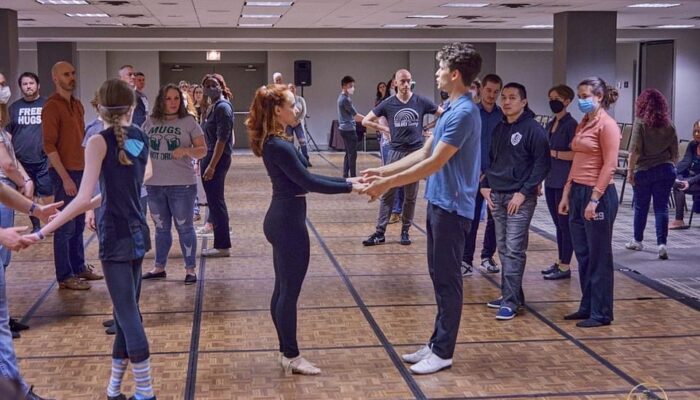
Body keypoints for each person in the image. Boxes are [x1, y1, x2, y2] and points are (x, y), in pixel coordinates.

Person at [26, 78, 156, 400]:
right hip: (138, 232)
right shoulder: (139, 137)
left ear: (99, 107)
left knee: (128, 315)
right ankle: (114, 389)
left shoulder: (99, 141)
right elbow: (144, 175)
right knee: (125, 314)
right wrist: (105, 197)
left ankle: (145, 392)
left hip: (115, 237)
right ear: (132, 106)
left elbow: (83, 198)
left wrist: (43, 229)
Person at [362, 42, 482, 375]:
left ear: (455, 74)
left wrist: (387, 183)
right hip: (439, 203)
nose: (437, 73)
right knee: (438, 276)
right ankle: (436, 342)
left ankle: (443, 352)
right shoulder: (451, 107)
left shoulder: (465, 113)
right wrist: (382, 172)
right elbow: (424, 151)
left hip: (453, 209)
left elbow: (433, 163)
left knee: (447, 281)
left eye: (441, 68)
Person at [246, 84, 365, 375]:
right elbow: (309, 182)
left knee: (283, 290)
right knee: (288, 292)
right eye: (291, 105)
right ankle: (291, 355)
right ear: (278, 111)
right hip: (287, 222)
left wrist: (350, 182)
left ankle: (285, 351)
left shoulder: (279, 141)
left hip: (284, 218)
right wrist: (350, 187)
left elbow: (307, 176)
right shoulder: (278, 145)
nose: (296, 109)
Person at [481, 82, 550, 321]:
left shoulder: (533, 130)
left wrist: (524, 192)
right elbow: (493, 160)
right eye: (504, 97)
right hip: (497, 195)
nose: (507, 102)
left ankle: (510, 302)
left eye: (512, 98)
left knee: (514, 249)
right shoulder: (499, 128)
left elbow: (542, 164)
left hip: (519, 198)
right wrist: (485, 185)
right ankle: (512, 295)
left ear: (524, 102)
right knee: (503, 248)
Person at [558, 76, 620, 328]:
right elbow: (577, 160)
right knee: (583, 253)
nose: (581, 101)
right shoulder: (584, 122)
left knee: (599, 255)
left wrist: (594, 199)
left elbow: (610, 165)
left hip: (599, 196)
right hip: (578, 191)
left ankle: (601, 312)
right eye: (579, 96)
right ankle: (588, 305)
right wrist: (567, 192)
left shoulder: (608, 125)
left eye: (585, 96)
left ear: (599, 96)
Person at [361, 69, 441, 247]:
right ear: (395, 83)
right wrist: (385, 129)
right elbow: (366, 120)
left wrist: (430, 129)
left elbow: (443, 114)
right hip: (395, 152)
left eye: (408, 81)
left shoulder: (420, 101)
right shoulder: (388, 103)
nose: (406, 84)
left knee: (410, 196)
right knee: (388, 192)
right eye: (402, 81)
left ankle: (405, 230)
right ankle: (380, 232)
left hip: (415, 153)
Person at [42, 61, 102, 290]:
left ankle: (78, 267)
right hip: (63, 174)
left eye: (73, 73)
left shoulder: (77, 105)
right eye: (66, 74)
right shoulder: (51, 106)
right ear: (55, 78)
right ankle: (65, 275)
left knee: (77, 225)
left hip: (80, 170)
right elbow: (49, 146)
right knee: (65, 225)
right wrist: (65, 177)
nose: (71, 77)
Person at [141, 84, 206, 284]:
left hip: (181, 185)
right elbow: (138, 147)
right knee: (161, 228)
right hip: (154, 184)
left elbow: (202, 149)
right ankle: (159, 267)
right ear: (161, 100)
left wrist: (186, 151)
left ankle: (190, 269)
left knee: (184, 227)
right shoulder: (150, 122)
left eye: (176, 98)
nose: (173, 102)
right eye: (168, 98)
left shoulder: (189, 122)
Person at [0, 72, 38, 338]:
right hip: (3, 196)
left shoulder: (3, 127)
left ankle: (4, 316)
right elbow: (6, 165)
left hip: (9, 193)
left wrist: (26, 179)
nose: (4, 89)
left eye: (4, 84)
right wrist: (22, 181)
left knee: (4, 261)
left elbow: (12, 160)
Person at [625, 89, 678, 260]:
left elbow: (634, 151)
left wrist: (630, 171)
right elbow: (675, 154)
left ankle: (637, 241)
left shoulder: (640, 123)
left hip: (644, 171)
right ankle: (662, 244)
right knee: (661, 207)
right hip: (666, 169)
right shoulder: (670, 125)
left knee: (641, 207)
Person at [462, 73, 503, 276]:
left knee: (494, 217)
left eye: (496, 92)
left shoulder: (502, 116)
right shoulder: (471, 113)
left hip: (495, 176)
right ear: (481, 90)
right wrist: (476, 169)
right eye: (488, 90)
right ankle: (465, 260)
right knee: (471, 218)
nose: (491, 95)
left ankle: (487, 256)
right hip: (473, 175)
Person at [6, 72, 53, 234]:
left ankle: (53, 222)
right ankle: (36, 225)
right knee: (28, 194)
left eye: (31, 83)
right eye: (25, 84)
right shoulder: (14, 108)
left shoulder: (48, 105)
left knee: (48, 193)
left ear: (38, 85)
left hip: (44, 159)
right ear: (21, 87)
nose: (28, 86)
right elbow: (8, 135)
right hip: (22, 161)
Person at [541, 84, 577, 280]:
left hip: (564, 180)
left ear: (567, 101)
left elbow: (574, 154)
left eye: (556, 98)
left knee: (565, 224)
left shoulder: (571, 125)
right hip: (550, 178)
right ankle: (560, 260)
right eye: (550, 98)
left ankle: (565, 265)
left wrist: (553, 153)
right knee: (557, 224)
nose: (552, 102)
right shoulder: (551, 123)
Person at [200, 73, 234, 257]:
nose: (210, 88)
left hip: (217, 158)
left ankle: (222, 245)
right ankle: (220, 240)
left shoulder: (222, 107)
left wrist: (212, 166)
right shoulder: (211, 107)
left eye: (214, 85)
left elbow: (222, 139)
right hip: (209, 154)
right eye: (207, 85)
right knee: (213, 202)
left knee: (217, 202)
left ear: (221, 86)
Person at [375, 80, 403, 224]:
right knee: (391, 177)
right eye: (393, 85)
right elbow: (378, 122)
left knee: (403, 179)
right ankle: (394, 210)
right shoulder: (385, 103)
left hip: (402, 145)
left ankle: (399, 209)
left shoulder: (406, 104)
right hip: (389, 144)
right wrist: (390, 135)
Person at [670, 120, 700, 229]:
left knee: (683, 184)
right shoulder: (692, 145)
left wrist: (689, 181)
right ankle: (679, 220)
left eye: (699, 131)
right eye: (695, 131)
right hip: (694, 180)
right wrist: (678, 176)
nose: (697, 134)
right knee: (678, 185)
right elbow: (685, 163)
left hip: (696, 180)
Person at [337, 76, 365, 178]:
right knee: (352, 154)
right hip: (348, 130)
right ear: (344, 86)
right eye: (350, 86)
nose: (353, 88)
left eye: (353, 86)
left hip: (344, 129)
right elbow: (355, 115)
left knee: (348, 153)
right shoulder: (345, 99)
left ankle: (345, 175)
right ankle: (353, 176)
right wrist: (368, 119)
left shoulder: (342, 97)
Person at [285, 84, 311, 166]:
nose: (292, 89)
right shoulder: (286, 100)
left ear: (295, 89)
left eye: (293, 88)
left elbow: (304, 112)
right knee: (289, 142)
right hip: (289, 123)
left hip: (298, 123)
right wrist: (290, 122)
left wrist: (298, 120)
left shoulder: (300, 99)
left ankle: (306, 160)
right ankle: (291, 160)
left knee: (302, 141)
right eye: (290, 88)